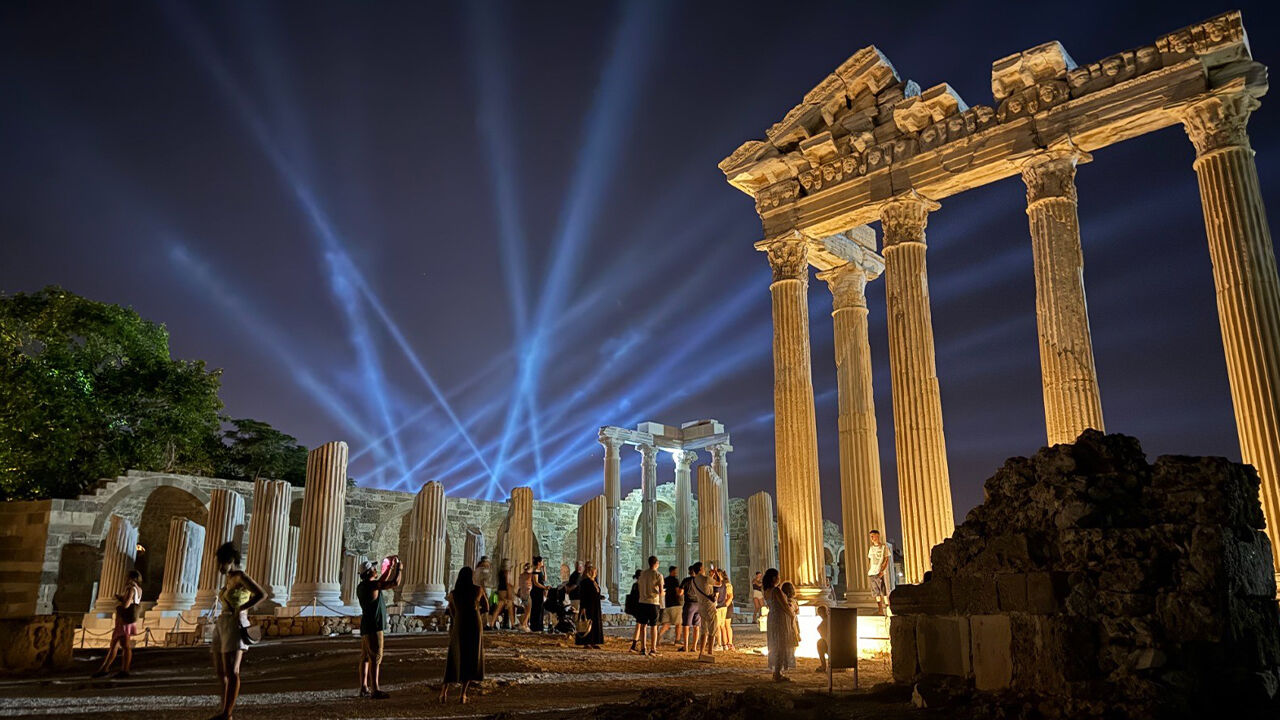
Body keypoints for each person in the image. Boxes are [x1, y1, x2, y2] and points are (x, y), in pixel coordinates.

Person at [209, 542, 265, 719]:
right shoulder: (227, 580)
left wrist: (241, 608)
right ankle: (223, 709)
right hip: (222, 623)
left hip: (235, 623)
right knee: (220, 670)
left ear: (231, 560)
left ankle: (227, 713)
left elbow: (261, 594)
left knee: (232, 670)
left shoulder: (240, 576)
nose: (219, 567)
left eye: (222, 563)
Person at [357, 556, 401, 699]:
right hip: (375, 627)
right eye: (374, 569)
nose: (376, 570)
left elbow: (381, 580)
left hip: (366, 626)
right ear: (369, 572)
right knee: (376, 657)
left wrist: (389, 568)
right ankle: (375, 689)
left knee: (365, 657)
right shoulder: (372, 586)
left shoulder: (363, 586)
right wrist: (399, 570)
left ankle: (364, 687)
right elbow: (394, 583)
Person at [441, 566, 485, 704]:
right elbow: (487, 607)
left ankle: (444, 692)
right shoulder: (478, 589)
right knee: (471, 657)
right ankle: (463, 695)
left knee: (454, 657)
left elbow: (452, 612)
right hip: (474, 624)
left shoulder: (454, 593)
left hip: (459, 624)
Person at [93, 569, 142, 678]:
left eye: (127, 577)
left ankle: (124, 670)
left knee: (124, 645)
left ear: (131, 578)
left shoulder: (131, 588)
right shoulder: (139, 589)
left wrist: (120, 600)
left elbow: (126, 604)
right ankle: (104, 668)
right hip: (129, 619)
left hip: (124, 619)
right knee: (114, 644)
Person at [762, 568, 796, 682]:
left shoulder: (766, 591)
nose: (779, 579)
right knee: (781, 644)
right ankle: (777, 673)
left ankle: (777, 671)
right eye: (778, 577)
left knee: (775, 644)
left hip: (772, 618)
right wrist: (792, 615)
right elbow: (785, 605)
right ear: (773, 578)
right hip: (780, 619)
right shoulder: (776, 590)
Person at [690, 563, 720, 663]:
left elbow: (705, 585)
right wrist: (716, 573)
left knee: (703, 629)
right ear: (701, 569)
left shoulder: (693, 581)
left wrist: (710, 576)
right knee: (712, 629)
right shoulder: (706, 579)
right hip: (710, 606)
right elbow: (719, 583)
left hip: (701, 606)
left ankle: (701, 652)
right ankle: (710, 651)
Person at [636, 556, 663, 656]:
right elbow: (660, 591)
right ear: (656, 563)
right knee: (653, 626)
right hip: (653, 602)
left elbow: (639, 587)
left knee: (643, 626)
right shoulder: (658, 575)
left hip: (642, 602)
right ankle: (653, 648)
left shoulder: (642, 574)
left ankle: (643, 648)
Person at [574, 562, 605, 649]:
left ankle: (593, 641)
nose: (596, 573)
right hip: (588, 606)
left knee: (594, 623)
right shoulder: (585, 582)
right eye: (594, 572)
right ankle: (586, 641)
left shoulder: (594, 581)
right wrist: (583, 607)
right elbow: (583, 595)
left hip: (595, 606)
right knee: (587, 623)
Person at [868, 530, 892, 615]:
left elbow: (886, 559)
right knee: (876, 592)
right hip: (872, 572)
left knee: (883, 590)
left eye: (873, 536)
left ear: (877, 536)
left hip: (879, 571)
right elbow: (870, 560)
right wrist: (869, 569)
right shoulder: (871, 548)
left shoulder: (884, 547)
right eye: (870, 536)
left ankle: (888, 607)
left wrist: (882, 570)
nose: (871, 538)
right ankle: (880, 609)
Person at [657, 565, 682, 647]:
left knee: (667, 623)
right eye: (676, 571)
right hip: (676, 604)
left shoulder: (666, 580)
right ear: (672, 571)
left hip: (667, 604)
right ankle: (677, 640)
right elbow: (678, 592)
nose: (677, 572)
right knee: (678, 623)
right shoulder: (675, 580)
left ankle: (658, 636)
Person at [677, 564, 701, 653]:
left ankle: (685, 646)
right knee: (697, 626)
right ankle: (694, 647)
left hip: (689, 604)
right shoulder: (699, 581)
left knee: (686, 626)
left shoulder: (686, 581)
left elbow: (680, 592)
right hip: (699, 604)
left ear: (689, 572)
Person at [489, 559, 515, 630]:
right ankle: (512, 624)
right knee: (508, 608)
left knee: (499, 608)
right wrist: (511, 591)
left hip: (500, 589)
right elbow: (507, 583)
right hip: (505, 591)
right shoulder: (507, 572)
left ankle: (492, 624)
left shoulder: (500, 572)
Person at [717, 570, 736, 651]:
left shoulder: (727, 585)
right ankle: (725, 643)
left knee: (727, 625)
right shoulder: (722, 584)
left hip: (726, 606)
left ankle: (730, 643)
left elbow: (730, 597)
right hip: (723, 605)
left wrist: (725, 605)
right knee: (722, 625)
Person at [529, 556, 548, 632]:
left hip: (540, 592)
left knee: (540, 608)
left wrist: (544, 570)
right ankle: (534, 626)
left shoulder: (539, 571)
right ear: (539, 563)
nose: (543, 563)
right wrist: (544, 587)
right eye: (542, 562)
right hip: (536, 592)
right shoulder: (535, 571)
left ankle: (540, 626)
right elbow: (536, 583)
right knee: (536, 608)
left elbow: (545, 579)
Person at [625, 569, 642, 652]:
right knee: (640, 626)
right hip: (640, 607)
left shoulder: (635, 585)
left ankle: (635, 644)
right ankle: (635, 644)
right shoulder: (640, 585)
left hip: (636, 608)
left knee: (639, 626)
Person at [815, 605, 831, 673]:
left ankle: (823, 665)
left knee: (820, 643)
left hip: (831, 645)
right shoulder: (830, 620)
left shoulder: (822, 625)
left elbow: (825, 637)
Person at [517, 562, 533, 630]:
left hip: (522, 593)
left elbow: (520, 584)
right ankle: (523, 624)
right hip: (527, 592)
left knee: (526, 609)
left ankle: (525, 624)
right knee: (529, 609)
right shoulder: (530, 575)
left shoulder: (521, 575)